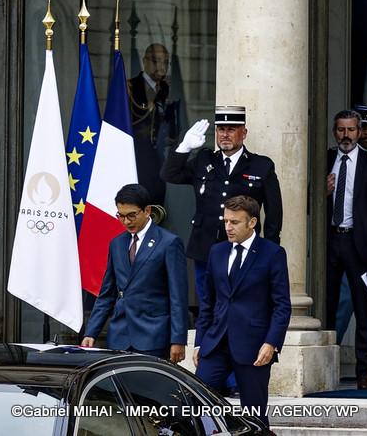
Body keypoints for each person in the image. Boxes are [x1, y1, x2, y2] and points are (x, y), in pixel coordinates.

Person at [159, 106, 283, 304]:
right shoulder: (203, 160)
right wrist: (184, 147)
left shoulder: (261, 166)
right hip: (205, 246)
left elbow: (273, 212)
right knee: (207, 303)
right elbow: (169, 174)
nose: (225, 135)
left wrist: (269, 248)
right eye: (220, 129)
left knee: (239, 302)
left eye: (231, 129)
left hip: (242, 246)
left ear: (243, 133)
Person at [193, 195, 291, 429]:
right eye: (226, 221)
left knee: (254, 413)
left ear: (252, 222)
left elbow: (282, 305)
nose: (228, 227)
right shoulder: (217, 251)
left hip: (254, 346)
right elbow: (208, 302)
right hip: (216, 343)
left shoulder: (272, 253)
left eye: (234, 222)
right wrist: (199, 342)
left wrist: (271, 343)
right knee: (196, 404)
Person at [81, 184, 188, 363]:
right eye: (121, 216)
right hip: (119, 336)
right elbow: (107, 294)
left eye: (132, 215)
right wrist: (91, 332)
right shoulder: (116, 243)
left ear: (147, 211)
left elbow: (178, 296)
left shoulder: (169, 243)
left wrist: (178, 339)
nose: (126, 221)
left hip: (153, 335)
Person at [325, 109, 367, 390]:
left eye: (351, 130)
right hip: (331, 242)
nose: (346, 135)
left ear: (359, 132)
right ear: (335, 132)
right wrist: (320, 192)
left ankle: (364, 371)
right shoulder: (324, 160)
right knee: (328, 307)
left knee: (364, 308)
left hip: (361, 246)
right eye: (341, 130)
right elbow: (304, 198)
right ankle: (326, 365)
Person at [127, 43, 177, 206]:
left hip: (160, 162)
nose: (161, 67)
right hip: (136, 160)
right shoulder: (130, 87)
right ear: (145, 62)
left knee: (157, 208)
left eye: (165, 63)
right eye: (157, 62)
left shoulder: (167, 89)